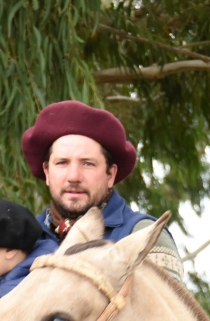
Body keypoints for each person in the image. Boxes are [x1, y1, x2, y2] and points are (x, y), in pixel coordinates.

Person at [20, 100, 184, 279]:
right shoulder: (22, 240)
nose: (74, 176)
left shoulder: (143, 237)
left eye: (88, 164)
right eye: (62, 163)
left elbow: (165, 306)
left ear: (110, 175)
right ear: (47, 173)